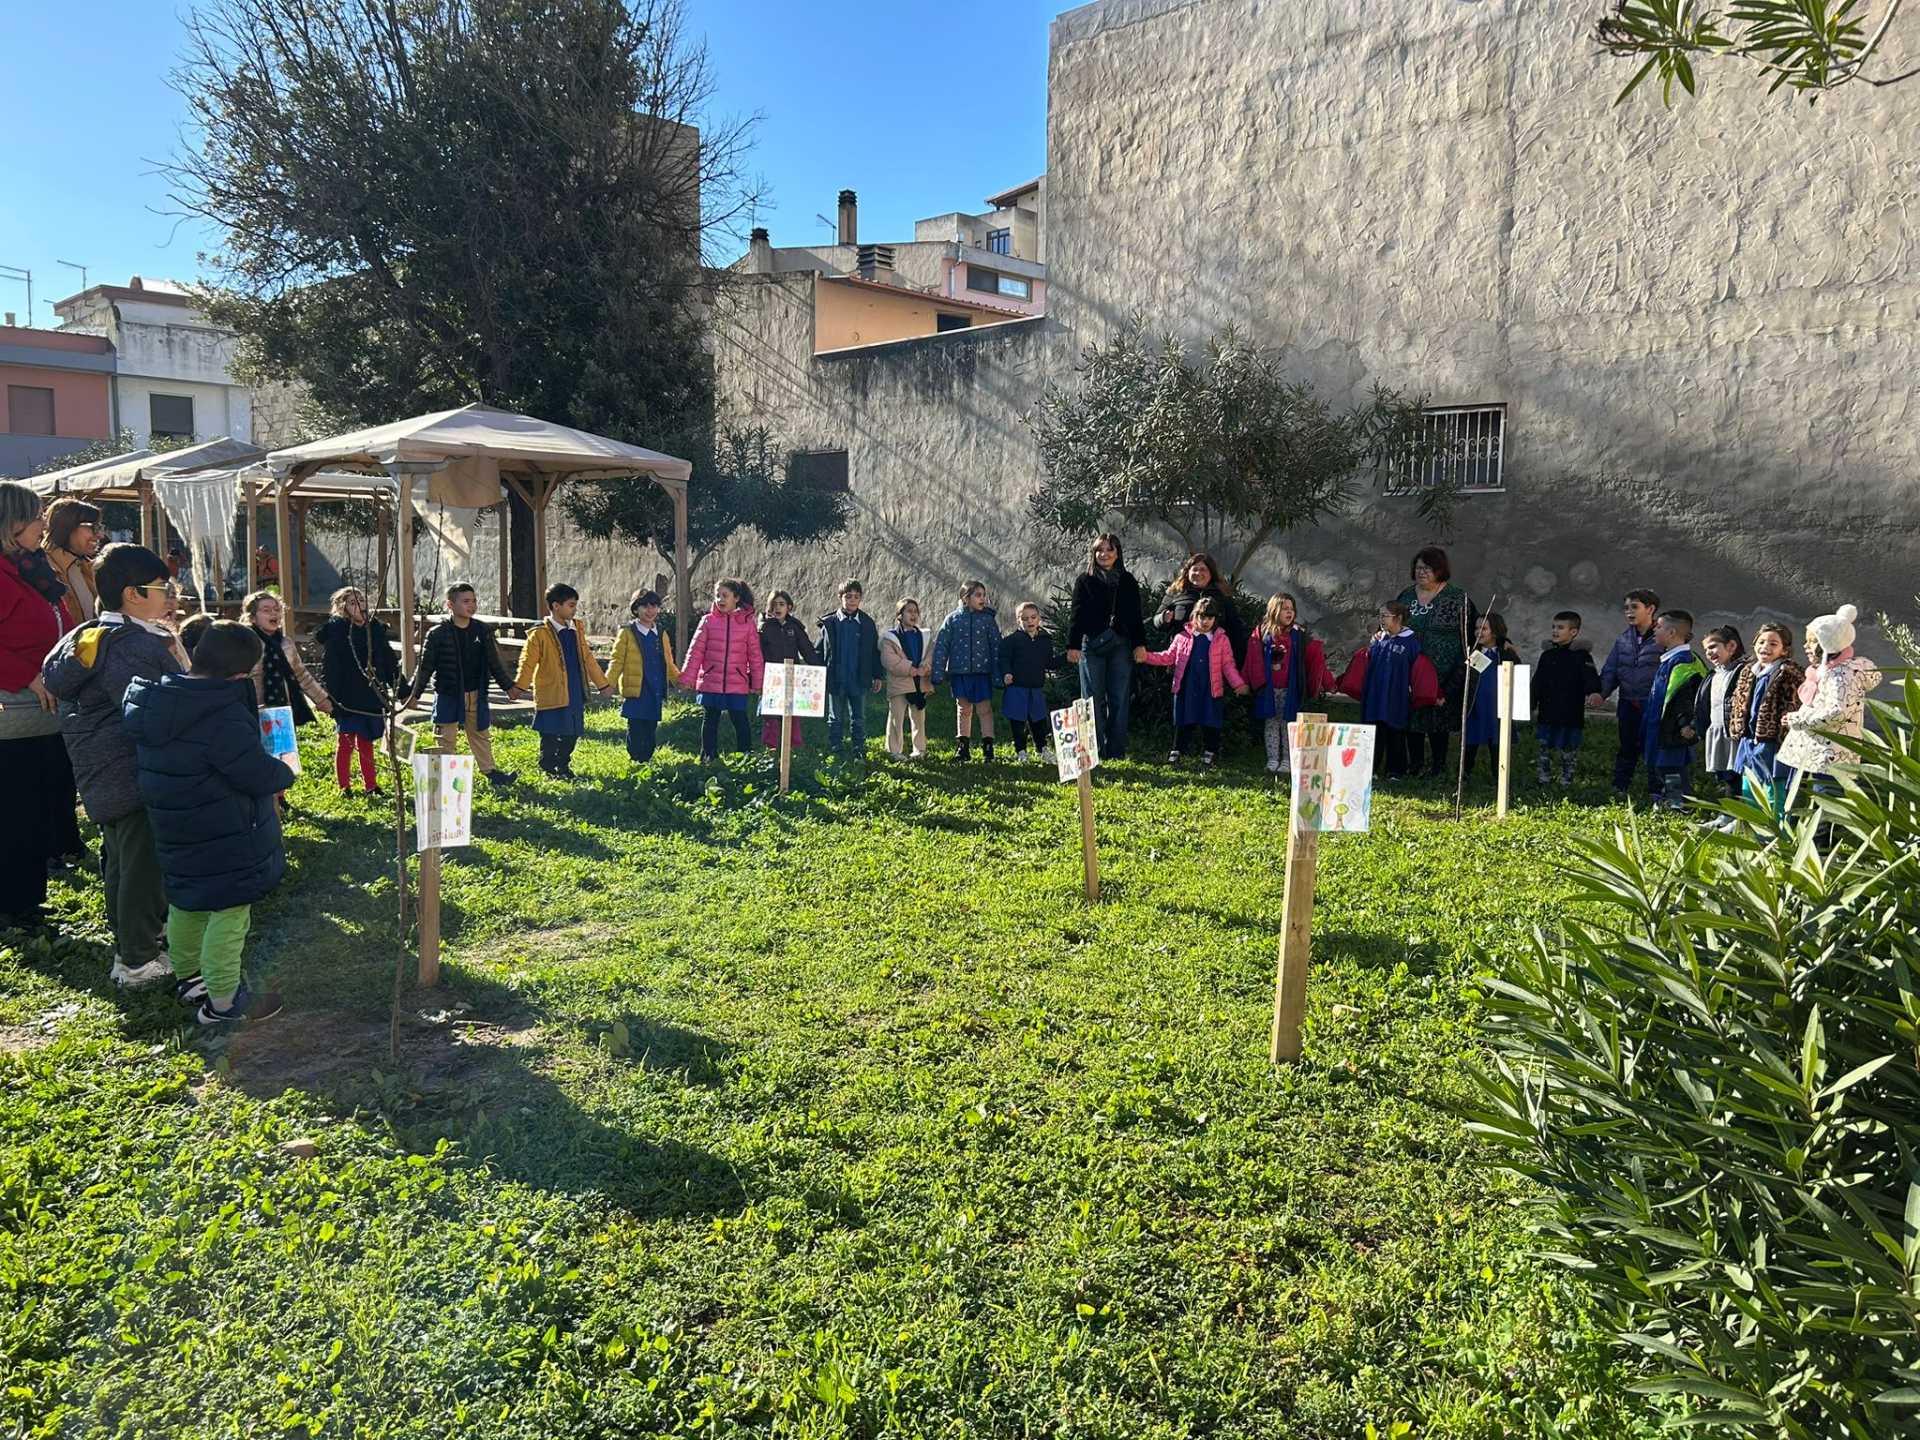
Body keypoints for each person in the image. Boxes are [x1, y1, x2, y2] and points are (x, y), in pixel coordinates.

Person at [122, 621, 292, 1026]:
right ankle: (223, 1000)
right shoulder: (221, 716)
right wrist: (283, 771)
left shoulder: (159, 701)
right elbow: (251, 772)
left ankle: (190, 978)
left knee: (186, 902)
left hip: (174, 826)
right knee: (229, 913)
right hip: (223, 829)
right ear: (240, 674)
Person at [40, 543, 188, 988]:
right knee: (143, 865)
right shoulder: (134, 645)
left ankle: (131, 941)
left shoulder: (85, 636)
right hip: (135, 768)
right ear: (133, 594)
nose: (169, 596)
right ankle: (139, 959)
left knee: (121, 860)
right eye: (162, 588)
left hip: (101, 769)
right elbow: (157, 710)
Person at [0, 482, 73, 927]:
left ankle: (26, 898)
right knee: (15, 810)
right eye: (37, 516)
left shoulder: (27, 568)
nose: (44, 524)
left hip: (41, 711)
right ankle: (11, 904)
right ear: (12, 523)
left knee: (37, 807)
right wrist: (26, 675)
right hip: (14, 711)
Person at [405, 582, 526, 790]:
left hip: (476, 693)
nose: (471, 605)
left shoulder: (482, 630)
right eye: (466, 601)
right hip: (448, 694)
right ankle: (442, 777)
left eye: (474, 601)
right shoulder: (437, 634)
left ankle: (491, 772)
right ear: (450, 605)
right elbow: (425, 667)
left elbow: (493, 662)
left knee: (480, 732)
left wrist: (509, 686)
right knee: (445, 737)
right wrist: (413, 694)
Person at [1778, 604, 1882, 791]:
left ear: (1827, 643)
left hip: (1832, 753)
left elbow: (1837, 712)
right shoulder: (1828, 672)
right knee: (1814, 794)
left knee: (1827, 798)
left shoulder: (1840, 676)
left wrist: (1797, 719)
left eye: (1811, 641)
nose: (1805, 646)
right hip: (1822, 750)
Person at [1140, 595, 1250, 768]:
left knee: (1211, 722)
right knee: (1184, 721)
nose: (1205, 621)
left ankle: (1210, 753)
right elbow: (1167, 657)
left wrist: (1238, 684)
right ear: (1193, 616)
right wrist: (1145, 656)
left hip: (1211, 688)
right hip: (1186, 687)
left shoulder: (1221, 640)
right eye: (1201, 616)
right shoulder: (1182, 637)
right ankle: (1177, 751)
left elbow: (1228, 665)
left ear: (1215, 619)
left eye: (1209, 617)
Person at [516, 582, 612, 778]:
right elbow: (528, 662)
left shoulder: (577, 629)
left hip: (574, 689)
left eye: (575, 605)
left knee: (572, 731)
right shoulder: (539, 633)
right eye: (570, 605)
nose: (574, 609)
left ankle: (563, 764)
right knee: (549, 731)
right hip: (550, 691)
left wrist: (603, 684)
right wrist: (519, 686)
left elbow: (587, 659)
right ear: (555, 606)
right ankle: (548, 765)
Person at [1395, 546, 1476, 779]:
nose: (1422, 572)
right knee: (1413, 716)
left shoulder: (1457, 599)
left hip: (1446, 671)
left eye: (1428, 568)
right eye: (1419, 568)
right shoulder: (1406, 596)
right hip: (1410, 669)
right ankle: (1416, 764)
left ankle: (1438, 766)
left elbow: (1476, 632)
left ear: (1440, 570)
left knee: (1438, 717)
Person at [1065, 534, 1147, 761]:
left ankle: (1116, 752)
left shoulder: (1127, 580)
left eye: (1109, 550)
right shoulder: (1084, 580)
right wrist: (1073, 645)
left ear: (1117, 553)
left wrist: (1139, 644)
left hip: (1120, 644)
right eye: (1100, 550)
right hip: (1091, 645)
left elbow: (1135, 616)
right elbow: (1076, 614)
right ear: (1094, 554)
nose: (1104, 554)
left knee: (1119, 698)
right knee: (1091, 699)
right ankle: (1093, 750)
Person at [1338, 601, 1441, 780]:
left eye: (1385, 616)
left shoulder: (1411, 642)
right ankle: (1371, 769)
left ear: (1398, 618)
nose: (1381, 620)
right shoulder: (1378, 639)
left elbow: (1419, 670)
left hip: (1397, 695)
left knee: (1396, 732)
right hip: (1375, 694)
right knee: (1373, 732)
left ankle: (1395, 771)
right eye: (1380, 616)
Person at [314, 587, 401, 798]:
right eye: (352, 602)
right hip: (347, 697)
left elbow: (388, 661)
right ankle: (344, 786)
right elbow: (331, 669)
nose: (359, 605)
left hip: (370, 696)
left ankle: (371, 785)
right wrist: (331, 698)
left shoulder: (374, 630)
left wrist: (402, 688)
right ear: (342, 609)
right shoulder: (338, 634)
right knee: (345, 742)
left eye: (361, 600)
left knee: (366, 741)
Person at [1241, 593, 1334, 775]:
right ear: (1274, 610)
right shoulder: (1262, 632)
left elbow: (1315, 659)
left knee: (1288, 724)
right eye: (1285, 609)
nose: (1289, 612)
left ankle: (1287, 760)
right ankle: (1273, 759)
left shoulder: (1299, 634)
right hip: (1269, 689)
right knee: (1271, 724)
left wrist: (1327, 682)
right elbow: (1252, 659)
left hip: (1290, 688)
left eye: (1292, 609)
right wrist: (1244, 682)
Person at [1723, 622, 1803, 821]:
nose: (1765, 647)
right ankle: (1755, 828)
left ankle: (1776, 833)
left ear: (1784, 650)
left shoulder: (1789, 674)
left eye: (1773, 644)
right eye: (1761, 642)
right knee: (1749, 786)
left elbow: (1794, 705)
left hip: (1773, 741)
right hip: (1749, 739)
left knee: (1772, 788)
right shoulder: (1748, 671)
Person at [678, 579, 764, 763]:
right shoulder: (708, 621)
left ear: (737, 598)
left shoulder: (747, 624)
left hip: (737, 681)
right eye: (718, 595)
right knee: (710, 720)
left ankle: (746, 755)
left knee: (740, 719)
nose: (720, 599)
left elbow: (755, 656)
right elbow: (696, 651)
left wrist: (758, 683)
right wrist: (687, 678)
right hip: (711, 680)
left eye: (725, 595)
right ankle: (708, 756)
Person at [1595, 589, 1665, 795]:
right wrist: (1601, 693)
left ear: (1650, 609)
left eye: (1635, 607)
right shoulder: (1623, 640)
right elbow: (1611, 670)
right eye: (1626, 608)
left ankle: (1657, 790)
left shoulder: (1663, 638)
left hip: (1652, 704)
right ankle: (1620, 787)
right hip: (1627, 702)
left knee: (1653, 748)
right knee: (1627, 746)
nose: (1629, 612)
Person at [932, 580, 1003, 763]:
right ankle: (963, 747)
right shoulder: (952, 619)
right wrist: (938, 672)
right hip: (960, 673)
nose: (983, 599)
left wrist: (998, 674)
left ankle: (988, 746)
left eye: (983, 595)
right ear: (965, 598)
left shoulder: (988, 620)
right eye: (978, 595)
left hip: (982, 672)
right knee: (963, 709)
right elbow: (942, 646)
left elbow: (996, 647)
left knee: (985, 710)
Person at [1643, 609, 1707, 810]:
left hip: (1674, 729)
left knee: (1672, 767)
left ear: (1671, 633)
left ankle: (1679, 804)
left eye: (1659, 626)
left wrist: (1685, 724)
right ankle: (1666, 799)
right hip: (1659, 726)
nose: (1655, 629)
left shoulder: (1685, 663)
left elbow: (1685, 700)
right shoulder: (1669, 660)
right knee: (1661, 765)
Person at [606, 589, 679, 764]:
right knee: (636, 726)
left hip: (654, 689)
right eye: (644, 606)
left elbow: (668, 662)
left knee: (650, 727)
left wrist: (679, 680)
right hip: (637, 689)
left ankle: (647, 757)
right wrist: (607, 683)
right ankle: (636, 757)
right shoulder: (627, 633)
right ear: (636, 609)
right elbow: (616, 660)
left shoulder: (661, 634)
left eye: (653, 606)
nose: (650, 610)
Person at [1532, 610, 1601, 788]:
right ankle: (1543, 777)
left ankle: (1566, 778)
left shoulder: (1582, 656)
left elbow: (1591, 677)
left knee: (1568, 749)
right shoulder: (1547, 655)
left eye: (1560, 628)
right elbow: (1537, 681)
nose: (1555, 631)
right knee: (1544, 747)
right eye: (1553, 627)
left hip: (1570, 712)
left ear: (1573, 632)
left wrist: (1594, 692)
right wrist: (1531, 701)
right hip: (1547, 711)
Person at [244, 591, 332, 725]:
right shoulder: (245, 642)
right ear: (252, 618)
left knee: (285, 745)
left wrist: (321, 699)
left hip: (283, 710)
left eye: (277, 609)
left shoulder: (286, 644)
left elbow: (301, 675)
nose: (274, 613)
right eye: (266, 610)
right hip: (252, 711)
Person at [817, 579, 883, 757]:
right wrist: (816, 673)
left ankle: (858, 747)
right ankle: (835, 746)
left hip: (858, 678)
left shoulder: (867, 623)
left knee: (858, 717)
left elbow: (874, 652)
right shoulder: (829, 623)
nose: (852, 600)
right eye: (848, 596)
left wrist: (877, 675)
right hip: (836, 677)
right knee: (835, 717)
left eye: (856, 597)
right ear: (840, 597)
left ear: (860, 598)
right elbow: (818, 650)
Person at [999, 601, 1062, 764]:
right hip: (1017, 688)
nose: (1029, 621)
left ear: (1039, 619)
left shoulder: (1045, 640)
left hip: (1036, 688)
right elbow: (1004, 659)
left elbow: (1049, 662)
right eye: (1025, 618)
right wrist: (1007, 673)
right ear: (1018, 620)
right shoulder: (1011, 641)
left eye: (1033, 617)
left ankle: (1042, 749)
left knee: (1039, 721)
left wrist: (1066, 658)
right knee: (1018, 722)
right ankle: (1021, 751)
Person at [1461, 612, 1522, 777]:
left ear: (1495, 631)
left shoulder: (1504, 653)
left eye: (1484, 628)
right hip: (1478, 707)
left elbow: (1517, 674)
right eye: (1476, 628)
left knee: (1497, 742)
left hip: (1498, 708)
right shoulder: (1476, 653)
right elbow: (1466, 678)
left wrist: (1510, 649)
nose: (1478, 632)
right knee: (1471, 740)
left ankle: (1499, 775)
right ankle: (1465, 773)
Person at [1689, 625, 1748, 798]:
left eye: (1713, 647)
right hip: (1717, 730)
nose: (1709, 653)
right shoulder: (1714, 674)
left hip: (1733, 733)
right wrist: (1696, 724)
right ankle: (1727, 814)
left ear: (1731, 646)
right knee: (1724, 774)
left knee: (1735, 774)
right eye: (1706, 649)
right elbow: (1704, 703)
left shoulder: (1742, 672)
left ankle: (1736, 815)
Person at [757, 589, 819, 752]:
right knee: (771, 715)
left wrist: (819, 669)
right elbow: (757, 654)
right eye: (774, 604)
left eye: (781, 604)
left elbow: (807, 650)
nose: (777, 607)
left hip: (792, 677)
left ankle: (794, 747)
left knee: (792, 713)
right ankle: (770, 748)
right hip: (771, 678)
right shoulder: (764, 628)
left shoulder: (795, 628)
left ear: (789, 607)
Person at [1156, 552, 1247, 658]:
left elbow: (1235, 629)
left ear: (1211, 573)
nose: (1198, 573)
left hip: (1214, 658)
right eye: (1194, 569)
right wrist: (1163, 618)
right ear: (1187, 572)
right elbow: (1156, 621)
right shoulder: (1176, 592)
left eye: (1203, 569)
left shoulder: (1222, 595)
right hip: (1182, 657)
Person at [880, 598, 932, 760]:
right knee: (896, 718)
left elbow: (931, 654)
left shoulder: (924, 636)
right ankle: (894, 751)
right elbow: (889, 660)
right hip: (900, 684)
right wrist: (910, 669)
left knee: (919, 719)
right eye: (909, 611)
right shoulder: (890, 638)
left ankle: (920, 750)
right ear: (899, 615)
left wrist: (925, 667)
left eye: (916, 611)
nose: (913, 614)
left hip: (920, 683)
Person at [43, 498, 103, 632]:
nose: (100, 535)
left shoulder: (87, 567)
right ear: (67, 526)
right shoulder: (40, 568)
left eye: (99, 527)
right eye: (93, 528)